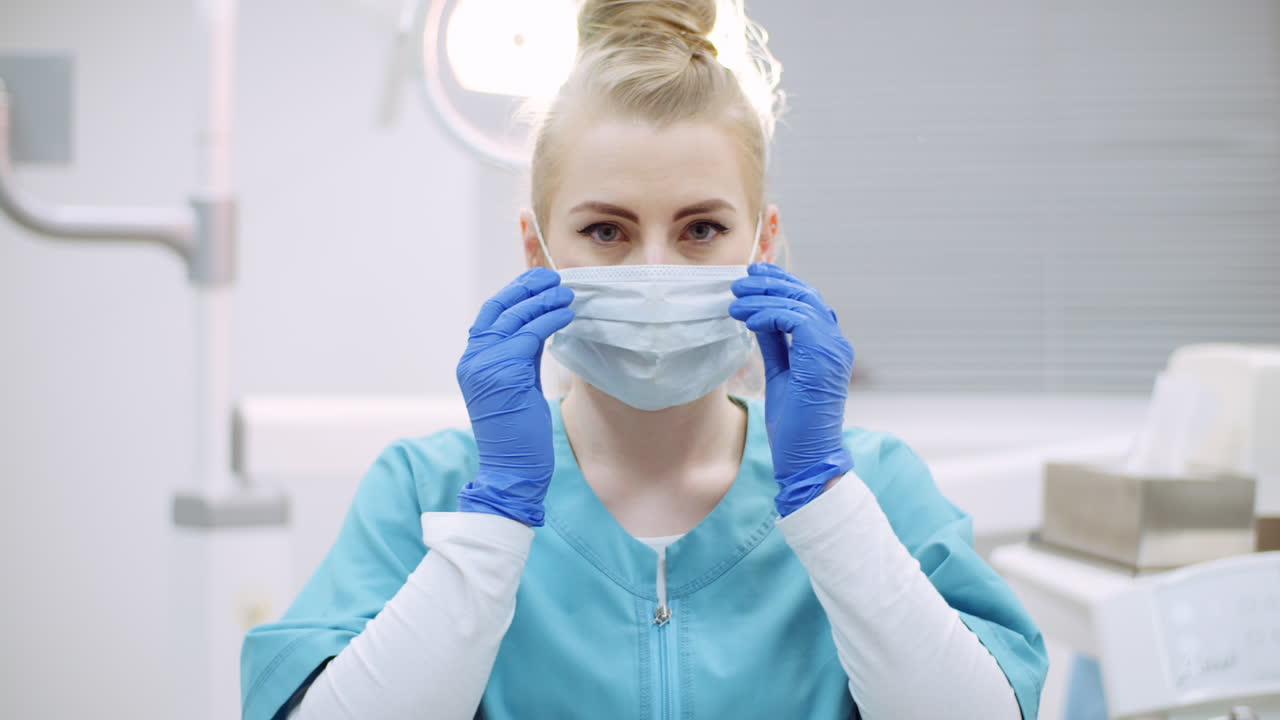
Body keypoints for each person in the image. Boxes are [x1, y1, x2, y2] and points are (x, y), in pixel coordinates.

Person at [240, 1, 1049, 718]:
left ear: (763, 244)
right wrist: (495, 521)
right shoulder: (427, 492)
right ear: (536, 250)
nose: (654, 271)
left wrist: (826, 502)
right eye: (606, 231)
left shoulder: (875, 487)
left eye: (701, 230)